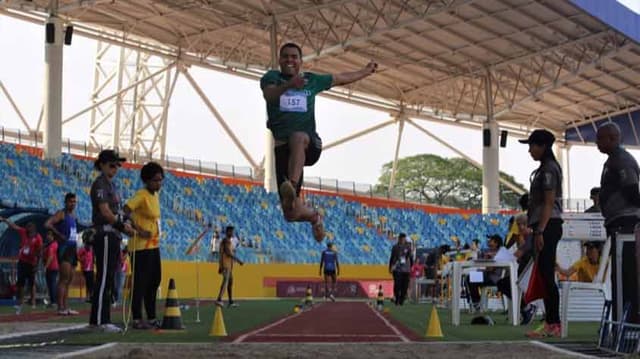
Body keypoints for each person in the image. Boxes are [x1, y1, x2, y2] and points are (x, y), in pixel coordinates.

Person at [260, 42, 377, 243]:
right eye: (286, 56)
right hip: (283, 149)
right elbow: (270, 96)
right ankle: (314, 217)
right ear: (280, 60)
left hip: (309, 143)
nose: (290, 60)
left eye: (294, 57)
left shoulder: (311, 81)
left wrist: (365, 71)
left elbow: (340, 78)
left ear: (300, 61)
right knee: (290, 213)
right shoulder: (272, 78)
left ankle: (292, 185)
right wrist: (289, 85)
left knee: (298, 137)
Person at [519, 129, 563, 338]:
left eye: (532, 146)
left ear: (543, 146)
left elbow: (548, 202)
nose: (529, 151)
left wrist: (541, 231)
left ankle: (554, 323)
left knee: (546, 274)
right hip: (545, 225)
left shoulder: (548, 170)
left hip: (549, 225)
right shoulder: (545, 168)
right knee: (544, 275)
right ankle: (550, 321)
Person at [596, 122, 640, 323]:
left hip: (626, 224)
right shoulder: (613, 160)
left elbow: (632, 191)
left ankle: (629, 322)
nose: (596, 142)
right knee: (619, 274)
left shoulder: (622, 160)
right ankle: (621, 319)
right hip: (617, 222)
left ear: (613, 138)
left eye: (600, 138)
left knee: (626, 274)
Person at [89, 149, 132, 332]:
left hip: (113, 234)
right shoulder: (100, 184)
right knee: (104, 277)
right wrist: (122, 226)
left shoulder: (111, 186)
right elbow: (105, 211)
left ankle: (102, 319)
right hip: (106, 233)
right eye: (112, 165)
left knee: (109, 278)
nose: (115, 169)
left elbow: (117, 212)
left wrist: (126, 223)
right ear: (102, 164)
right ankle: (99, 320)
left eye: (117, 166)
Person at [124, 162, 165, 329]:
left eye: (161, 180)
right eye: (156, 180)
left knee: (155, 280)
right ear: (147, 180)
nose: (159, 183)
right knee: (141, 282)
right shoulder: (141, 195)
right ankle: (136, 318)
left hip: (153, 245)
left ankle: (152, 317)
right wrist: (138, 229)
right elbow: (125, 211)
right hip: (140, 246)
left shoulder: (155, 195)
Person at [45, 192, 80, 315]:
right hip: (64, 248)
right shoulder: (62, 213)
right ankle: (60, 307)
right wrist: (58, 235)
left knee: (70, 279)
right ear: (65, 202)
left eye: (74, 201)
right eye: (71, 201)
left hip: (73, 248)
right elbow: (47, 224)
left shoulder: (73, 216)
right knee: (63, 279)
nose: (73, 204)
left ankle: (65, 307)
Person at [0, 218, 42, 314]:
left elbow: (40, 251)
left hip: (32, 263)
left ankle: (33, 301)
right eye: (27, 227)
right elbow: (14, 226)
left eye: (30, 227)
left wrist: (37, 264)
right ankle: (20, 303)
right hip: (22, 261)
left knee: (32, 283)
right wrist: (4, 220)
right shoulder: (23, 232)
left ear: (34, 228)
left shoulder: (38, 237)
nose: (28, 229)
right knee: (21, 283)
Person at [466, 234, 503, 312]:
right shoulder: (489, 252)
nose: (488, 241)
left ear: (496, 243)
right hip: (489, 275)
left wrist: (484, 267)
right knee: (469, 277)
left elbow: (490, 269)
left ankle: (476, 302)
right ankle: (475, 302)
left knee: (469, 278)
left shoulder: (499, 253)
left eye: (491, 240)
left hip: (494, 278)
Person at [215, 226, 244, 307]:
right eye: (231, 232)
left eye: (232, 232)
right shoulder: (226, 241)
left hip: (228, 265)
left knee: (230, 282)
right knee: (226, 281)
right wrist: (238, 260)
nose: (232, 233)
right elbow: (228, 253)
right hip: (226, 265)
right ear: (227, 232)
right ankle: (219, 299)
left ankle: (230, 301)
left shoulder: (228, 241)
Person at [388, 233, 413, 305]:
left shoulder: (408, 247)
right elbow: (392, 257)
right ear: (399, 239)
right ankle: (397, 299)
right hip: (397, 269)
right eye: (401, 239)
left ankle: (402, 300)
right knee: (397, 284)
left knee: (405, 286)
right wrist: (390, 267)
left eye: (404, 239)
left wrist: (411, 267)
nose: (402, 240)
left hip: (406, 269)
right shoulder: (395, 247)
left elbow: (410, 257)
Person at [43, 230, 59, 309]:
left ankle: (54, 302)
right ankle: (52, 301)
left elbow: (51, 256)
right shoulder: (47, 245)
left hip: (53, 267)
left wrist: (45, 266)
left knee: (52, 284)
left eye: (49, 235)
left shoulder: (53, 245)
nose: (48, 236)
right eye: (47, 234)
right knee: (50, 285)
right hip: (49, 267)